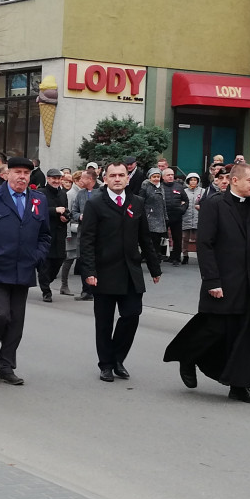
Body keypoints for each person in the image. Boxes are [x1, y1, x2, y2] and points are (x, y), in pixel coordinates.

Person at [163, 163, 250, 403]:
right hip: (222, 282)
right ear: (235, 181)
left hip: (247, 284)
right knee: (213, 329)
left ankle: (239, 386)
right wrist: (212, 280)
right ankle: (188, 356)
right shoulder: (214, 205)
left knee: (244, 336)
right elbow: (205, 245)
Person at [0, 156, 51, 386]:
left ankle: (5, 366)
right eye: (18, 172)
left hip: (23, 269)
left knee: (16, 322)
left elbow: (45, 235)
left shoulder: (38, 200)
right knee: (0, 315)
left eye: (26, 173)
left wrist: (37, 256)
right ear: (7, 174)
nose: (22, 177)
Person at [79, 161, 162, 381]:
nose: (117, 179)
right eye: (112, 175)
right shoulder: (95, 204)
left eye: (121, 175)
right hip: (104, 272)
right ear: (104, 178)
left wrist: (155, 267)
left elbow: (145, 238)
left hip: (130, 272)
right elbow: (87, 241)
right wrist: (89, 271)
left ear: (128, 178)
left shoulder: (137, 202)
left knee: (132, 315)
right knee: (104, 322)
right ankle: (106, 364)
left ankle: (118, 358)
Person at [38, 168, 70, 302]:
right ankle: (46, 291)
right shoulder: (40, 193)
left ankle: (47, 281)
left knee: (58, 260)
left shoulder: (63, 194)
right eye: (53, 178)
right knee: (45, 263)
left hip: (60, 234)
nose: (56, 181)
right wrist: (54, 211)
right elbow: (37, 211)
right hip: (46, 232)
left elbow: (66, 211)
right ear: (48, 178)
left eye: (58, 178)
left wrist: (66, 217)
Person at [71, 169, 98, 301]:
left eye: (82, 178)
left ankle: (96, 290)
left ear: (90, 179)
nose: (80, 181)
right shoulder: (80, 194)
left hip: (99, 232)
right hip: (83, 231)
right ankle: (85, 291)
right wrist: (79, 216)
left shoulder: (101, 192)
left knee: (97, 260)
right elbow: (74, 211)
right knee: (83, 259)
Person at [161, 168, 189, 265]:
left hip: (176, 217)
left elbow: (186, 201)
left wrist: (182, 210)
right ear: (163, 177)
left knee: (177, 238)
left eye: (172, 175)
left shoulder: (179, 187)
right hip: (164, 217)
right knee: (161, 237)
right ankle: (162, 255)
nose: (170, 176)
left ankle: (176, 257)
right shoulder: (160, 187)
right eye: (168, 175)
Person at [140, 169, 168, 259]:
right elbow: (141, 201)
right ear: (150, 177)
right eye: (154, 177)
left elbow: (163, 204)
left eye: (158, 177)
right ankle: (151, 256)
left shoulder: (161, 187)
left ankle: (155, 256)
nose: (156, 179)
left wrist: (165, 217)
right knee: (152, 239)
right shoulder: (145, 187)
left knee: (157, 239)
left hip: (160, 218)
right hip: (150, 217)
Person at [180, 173, 205, 265]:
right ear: (188, 181)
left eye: (195, 180)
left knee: (199, 239)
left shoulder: (203, 191)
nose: (193, 181)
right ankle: (185, 255)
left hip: (198, 218)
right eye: (191, 180)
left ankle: (201, 256)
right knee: (185, 238)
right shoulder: (184, 191)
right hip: (186, 217)